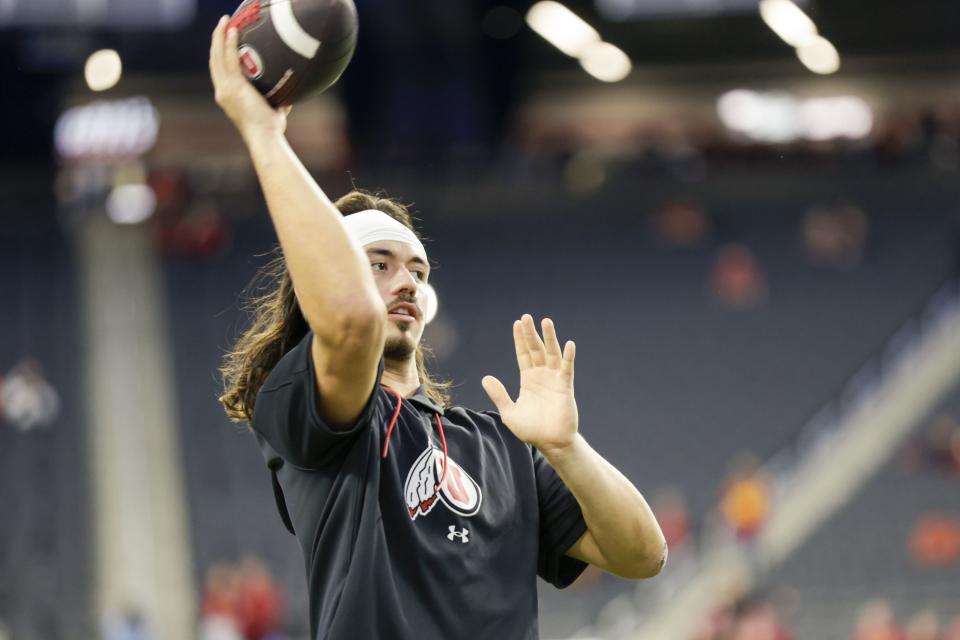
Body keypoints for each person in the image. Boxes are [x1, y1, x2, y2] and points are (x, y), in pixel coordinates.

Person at [209, 16, 666, 640]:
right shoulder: (319, 409)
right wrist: (264, 135)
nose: (406, 282)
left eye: (417, 271)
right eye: (378, 264)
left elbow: (644, 556)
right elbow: (348, 322)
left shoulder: (503, 445)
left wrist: (566, 447)